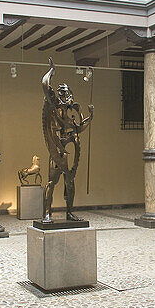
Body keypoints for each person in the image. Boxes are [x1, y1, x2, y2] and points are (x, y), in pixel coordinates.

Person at [41, 58, 93, 223]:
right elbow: (45, 85)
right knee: (52, 181)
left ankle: (69, 212)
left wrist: (90, 117)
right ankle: (47, 214)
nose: (65, 95)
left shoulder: (71, 111)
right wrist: (51, 72)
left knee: (70, 182)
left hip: (70, 145)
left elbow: (78, 128)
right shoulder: (53, 106)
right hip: (56, 149)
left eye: (67, 93)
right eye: (61, 92)